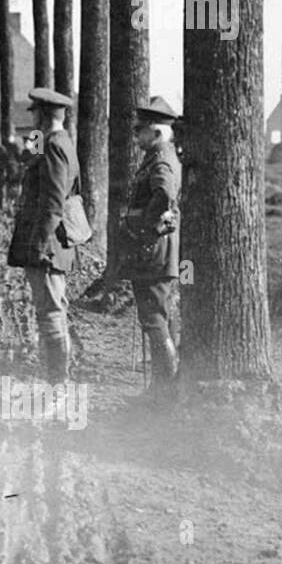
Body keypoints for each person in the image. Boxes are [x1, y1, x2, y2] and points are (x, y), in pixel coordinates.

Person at [7, 88, 81, 381]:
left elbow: (53, 202)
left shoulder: (54, 145)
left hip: (48, 244)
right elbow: (32, 168)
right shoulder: (52, 142)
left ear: (42, 114)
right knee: (48, 312)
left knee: (50, 314)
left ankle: (58, 384)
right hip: (46, 241)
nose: (33, 118)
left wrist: (38, 245)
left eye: (35, 113)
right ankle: (55, 379)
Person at [116, 97, 183, 393]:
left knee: (154, 316)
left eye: (140, 130)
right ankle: (162, 383)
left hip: (154, 247)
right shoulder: (155, 156)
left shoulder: (162, 158)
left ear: (156, 132)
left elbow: (165, 194)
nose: (136, 135)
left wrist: (146, 226)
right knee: (155, 314)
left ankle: (165, 386)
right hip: (153, 245)